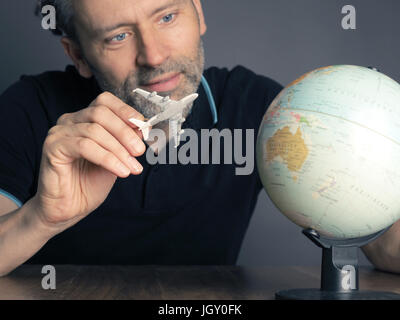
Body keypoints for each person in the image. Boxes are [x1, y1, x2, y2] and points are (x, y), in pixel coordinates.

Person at [0, 0, 398, 277]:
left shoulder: (260, 106)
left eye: (168, 16)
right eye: (118, 36)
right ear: (79, 55)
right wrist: (40, 219)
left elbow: (386, 247)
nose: (153, 56)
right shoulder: (29, 109)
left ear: (199, 14)